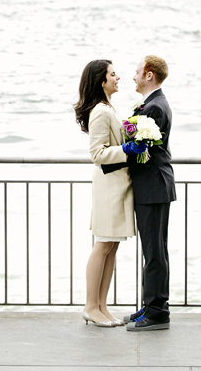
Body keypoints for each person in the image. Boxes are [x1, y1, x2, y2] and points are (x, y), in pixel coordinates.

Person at [74, 59, 146, 328]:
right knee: (102, 245)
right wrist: (126, 151)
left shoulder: (108, 108)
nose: (118, 78)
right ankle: (91, 306)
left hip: (117, 186)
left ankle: (102, 306)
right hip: (108, 187)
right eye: (113, 74)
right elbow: (97, 154)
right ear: (101, 81)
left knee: (111, 247)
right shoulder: (101, 112)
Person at [124, 55, 175, 332]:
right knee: (152, 250)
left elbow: (145, 151)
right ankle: (152, 304)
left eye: (137, 72)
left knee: (154, 251)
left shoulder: (154, 108)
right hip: (153, 186)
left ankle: (157, 312)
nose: (133, 76)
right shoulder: (152, 104)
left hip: (154, 186)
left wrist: (119, 152)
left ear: (149, 75)